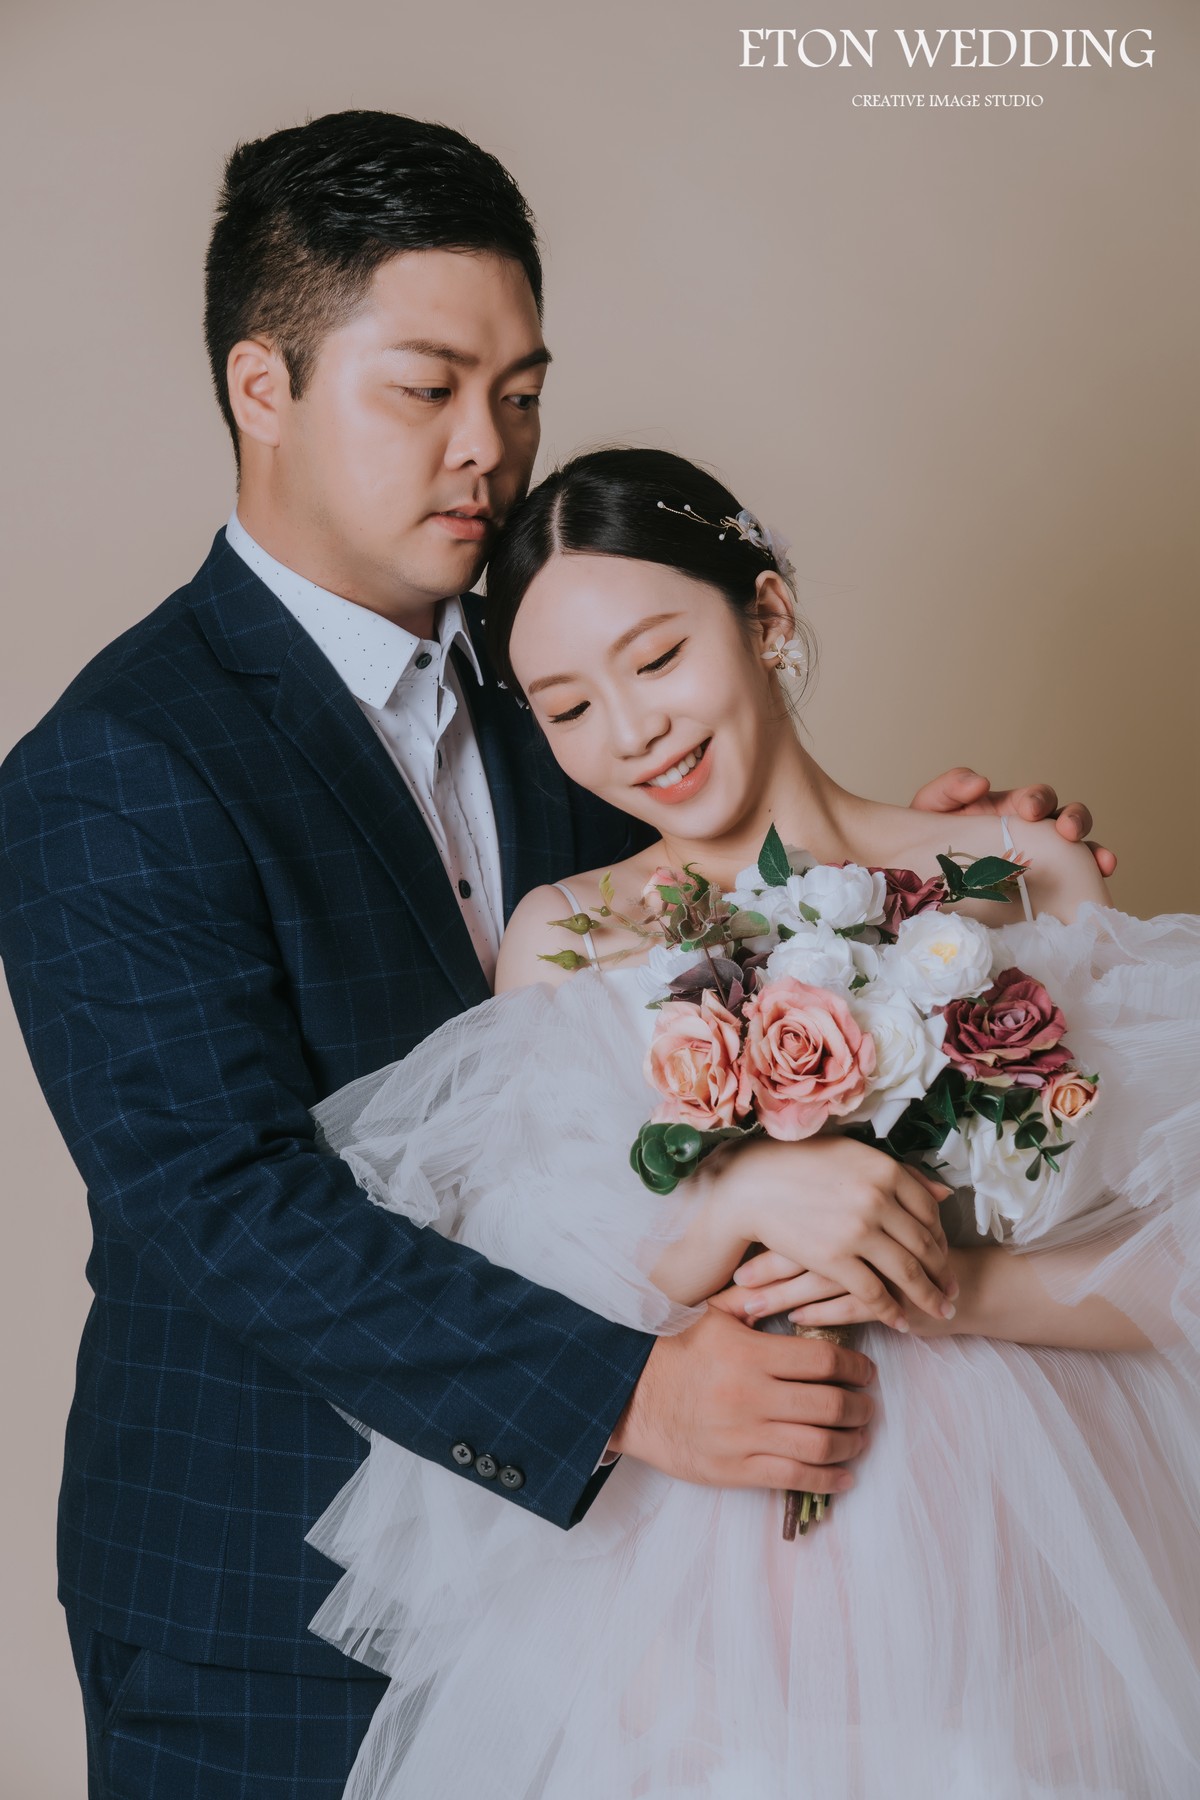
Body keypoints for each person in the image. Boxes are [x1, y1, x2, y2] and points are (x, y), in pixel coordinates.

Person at [0, 114, 1109, 1798]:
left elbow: (690, 944)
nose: (490, 450)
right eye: (428, 389)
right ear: (262, 385)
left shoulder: (563, 679)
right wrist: (628, 1399)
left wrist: (922, 878)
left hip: (619, 1622)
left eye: (520, 393)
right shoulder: (117, 762)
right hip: (267, 1608)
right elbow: (225, 1202)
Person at [307, 448, 1200, 1799]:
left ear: (767, 616)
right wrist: (726, 1211)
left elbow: (1172, 1258)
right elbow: (527, 1311)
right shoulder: (570, 941)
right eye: (568, 707)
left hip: (1032, 1590)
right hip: (696, 1630)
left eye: (658, 657)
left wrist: (946, 1284)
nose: (632, 732)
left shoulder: (1011, 879)